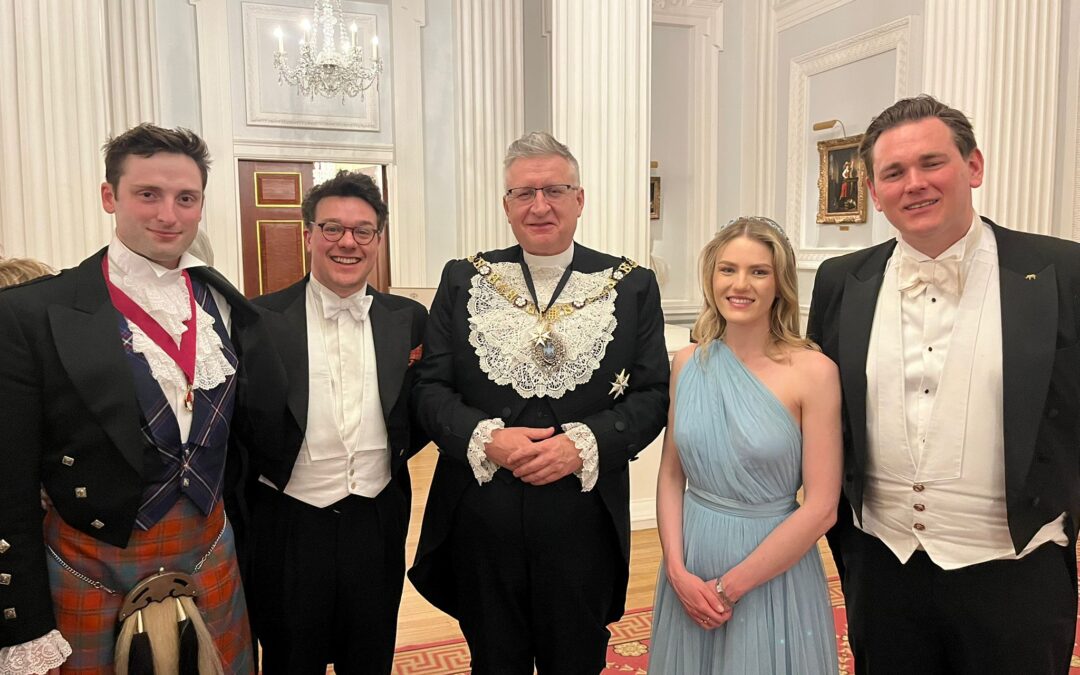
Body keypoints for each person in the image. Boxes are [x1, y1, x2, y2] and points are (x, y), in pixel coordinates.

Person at [807, 94, 1080, 673]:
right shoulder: (840, 280)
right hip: (882, 568)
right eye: (893, 173)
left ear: (973, 166)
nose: (914, 184)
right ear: (874, 192)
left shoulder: (1064, 271)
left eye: (932, 163)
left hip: (1017, 572)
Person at [0, 123, 279, 674]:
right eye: (148, 194)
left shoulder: (224, 302)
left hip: (209, 548)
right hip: (91, 560)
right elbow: (8, 483)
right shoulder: (31, 313)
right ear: (110, 197)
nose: (168, 215)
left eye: (186, 198)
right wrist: (24, 622)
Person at [408, 131, 670, 674]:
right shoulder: (463, 278)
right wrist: (486, 439)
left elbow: (651, 395)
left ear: (580, 199)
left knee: (575, 661)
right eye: (524, 193)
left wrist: (584, 445)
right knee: (493, 661)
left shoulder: (632, 285)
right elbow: (429, 388)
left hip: (583, 520)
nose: (540, 205)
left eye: (555, 190)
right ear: (506, 206)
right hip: (481, 517)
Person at [242, 170, 427, 674]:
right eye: (332, 228)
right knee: (290, 660)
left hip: (377, 518)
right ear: (309, 236)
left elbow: (421, 405)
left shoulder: (409, 318)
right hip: (289, 523)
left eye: (363, 230)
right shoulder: (258, 320)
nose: (348, 242)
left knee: (370, 658)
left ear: (378, 240)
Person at [648, 217, 842, 674]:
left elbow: (822, 508)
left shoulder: (814, 372)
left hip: (770, 567)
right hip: (691, 561)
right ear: (711, 277)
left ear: (780, 284)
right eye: (727, 269)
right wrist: (675, 568)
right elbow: (672, 476)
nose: (740, 284)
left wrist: (729, 588)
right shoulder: (686, 363)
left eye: (758, 272)